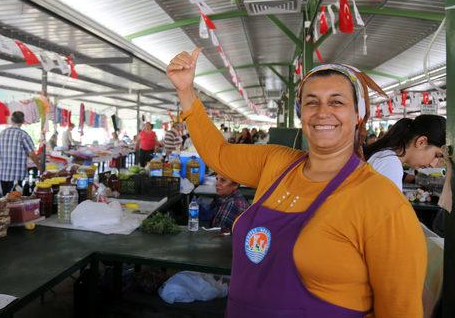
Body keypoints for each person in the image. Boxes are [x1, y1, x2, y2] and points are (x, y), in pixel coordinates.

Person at [167, 49, 426, 317]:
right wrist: (186, 91)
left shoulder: (382, 201)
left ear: (358, 115)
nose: (322, 112)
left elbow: (401, 310)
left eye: (337, 102)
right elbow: (218, 153)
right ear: (301, 113)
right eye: (311, 102)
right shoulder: (276, 162)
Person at [364, 115, 445, 191]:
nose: (433, 164)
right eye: (436, 155)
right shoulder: (390, 165)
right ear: (421, 142)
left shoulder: (386, 157)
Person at [0, 111, 40, 195]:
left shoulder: (2, 133)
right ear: (23, 121)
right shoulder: (23, 134)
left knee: (6, 199)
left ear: (11, 120)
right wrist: (39, 166)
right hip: (17, 175)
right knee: (17, 201)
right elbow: (31, 154)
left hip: (4, 174)